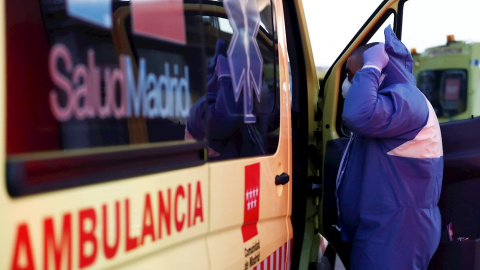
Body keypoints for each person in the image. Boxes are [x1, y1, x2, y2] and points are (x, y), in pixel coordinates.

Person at [336, 25, 444, 269]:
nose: (348, 83)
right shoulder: (395, 99)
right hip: (386, 227)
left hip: (398, 231)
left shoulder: (407, 100)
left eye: (353, 75)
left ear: (380, 72)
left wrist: (371, 66)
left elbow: (357, 115)